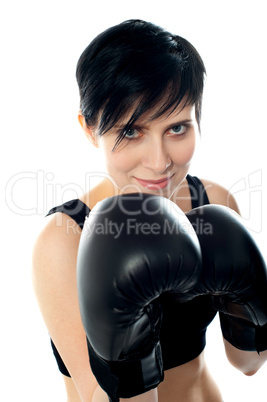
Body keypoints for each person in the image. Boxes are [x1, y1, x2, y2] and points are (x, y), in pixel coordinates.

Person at [32, 19, 267, 402]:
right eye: (130, 131)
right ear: (90, 130)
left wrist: (253, 313)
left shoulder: (216, 203)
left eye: (177, 128)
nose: (159, 162)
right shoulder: (64, 238)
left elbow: (248, 364)